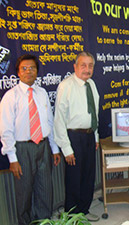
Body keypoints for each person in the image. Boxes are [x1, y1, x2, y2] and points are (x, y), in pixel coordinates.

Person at [0, 54, 61, 225]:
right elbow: (6, 130)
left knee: (45, 192)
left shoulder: (41, 93)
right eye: (24, 69)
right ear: (18, 73)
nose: (29, 71)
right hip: (22, 149)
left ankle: (44, 222)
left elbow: (49, 121)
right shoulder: (10, 96)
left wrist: (54, 149)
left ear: (37, 72)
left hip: (43, 147)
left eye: (32, 68)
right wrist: (13, 158)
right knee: (24, 194)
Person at [53, 51, 100, 221]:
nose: (87, 69)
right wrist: (66, 148)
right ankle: (72, 216)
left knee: (88, 177)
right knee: (74, 179)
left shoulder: (92, 84)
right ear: (75, 67)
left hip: (88, 137)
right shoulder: (66, 86)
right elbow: (59, 119)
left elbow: (93, 114)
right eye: (83, 65)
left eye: (90, 65)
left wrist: (95, 136)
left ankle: (84, 212)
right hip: (73, 138)